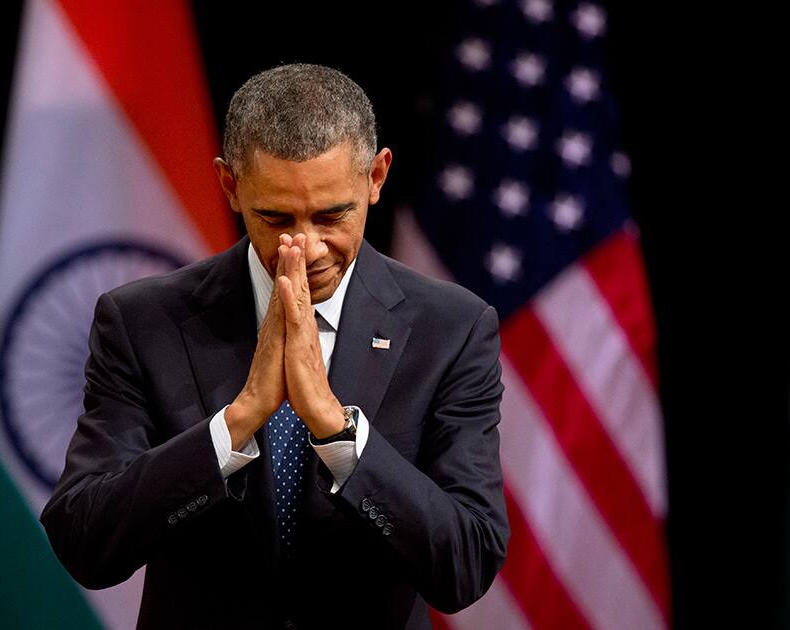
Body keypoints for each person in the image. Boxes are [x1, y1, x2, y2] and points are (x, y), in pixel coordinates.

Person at [40, 63, 509, 630]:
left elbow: (465, 564)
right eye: (276, 217)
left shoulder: (452, 329)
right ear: (230, 186)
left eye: (333, 215)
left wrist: (339, 431)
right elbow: (85, 541)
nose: (307, 248)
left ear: (376, 177)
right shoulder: (143, 322)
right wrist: (234, 425)